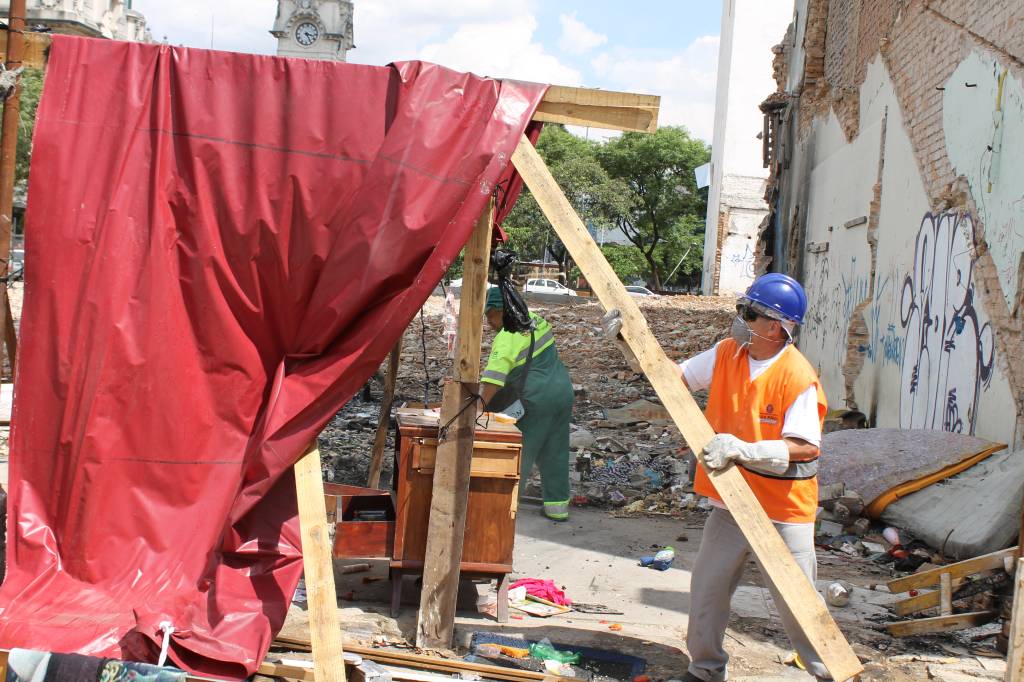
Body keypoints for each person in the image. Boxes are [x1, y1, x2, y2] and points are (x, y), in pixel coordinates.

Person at [603, 273, 830, 681]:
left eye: (748, 312)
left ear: (774, 326)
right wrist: (629, 346)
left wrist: (744, 450)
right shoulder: (728, 352)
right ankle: (705, 670)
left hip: (783, 511)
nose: (739, 318)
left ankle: (829, 671)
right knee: (707, 592)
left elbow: (806, 447)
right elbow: (674, 378)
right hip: (731, 504)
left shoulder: (797, 377)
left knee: (800, 605)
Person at [480, 287, 575, 521]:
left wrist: (479, 407)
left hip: (535, 400)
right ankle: (557, 509)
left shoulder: (507, 335)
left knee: (520, 454)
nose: (489, 323)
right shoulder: (535, 320)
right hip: (562, 392)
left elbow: (494, 376)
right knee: (555, 452)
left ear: (500, 311)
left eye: (489, 315)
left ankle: (504, 512)